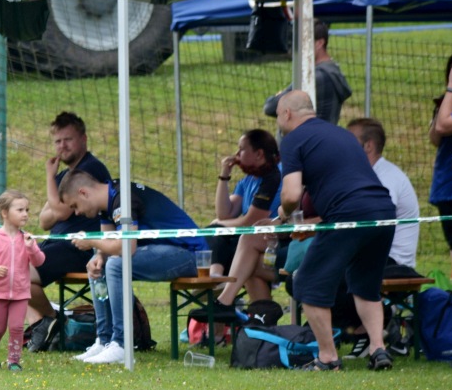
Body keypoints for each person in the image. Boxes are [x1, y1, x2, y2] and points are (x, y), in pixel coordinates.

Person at [274, 90, 397, 371]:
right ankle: (378, 349)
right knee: (365, 284)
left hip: (347, 214)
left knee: (306, 282)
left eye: (278, 115)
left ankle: (328, 358)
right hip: (383, 211)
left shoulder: (293, 139)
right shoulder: (342, 134)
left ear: (287, 114)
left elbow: (292, 194)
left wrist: (282, 213)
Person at [59, 171, 201, 365]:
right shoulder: (107, 201)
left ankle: (122, 343)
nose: (76, 213)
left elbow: (126, 247)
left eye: (75, 206)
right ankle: (104, 340)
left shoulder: (122, 198)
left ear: (83, 193)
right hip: (166, 251)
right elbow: (108, 241)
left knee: (116, 264)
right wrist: (98, 255)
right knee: (99, 264)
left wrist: (92, 241)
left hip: (189, 254)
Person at [27, 112, 113, 327]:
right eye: (57, 141)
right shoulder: (64, 175)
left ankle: (55, 324)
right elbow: (44, 221)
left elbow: (60, 212)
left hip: (80, 248)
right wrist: (56, 202)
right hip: (57, 244)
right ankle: (44, 327)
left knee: (19, 276)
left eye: (68, 139)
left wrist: (49, 176)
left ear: (83, 139)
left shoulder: (89, 169)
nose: (62, 146)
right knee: (8, 264)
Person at [204, 129, 284, 318]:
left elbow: (251, 221)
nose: (237, 154)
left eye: (241, 149)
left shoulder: (274, 177)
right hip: (250, 244)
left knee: (217, 232)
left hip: (273, 242)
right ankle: (217, 282)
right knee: (216, 232)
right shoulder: (248, 180)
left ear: (259, 154)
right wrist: (224, 176)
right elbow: (224, 213)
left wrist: (219, 226)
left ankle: (220, 287)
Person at [0, 190, 44, 371]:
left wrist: (31, 248)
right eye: (20, 210)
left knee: (16, 327)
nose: (25, 214)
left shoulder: (27, 239)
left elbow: (39, 261)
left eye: (27, 210)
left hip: (21, 292)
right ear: (4, 213)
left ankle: (14, 361)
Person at [347, 117, 420, 272]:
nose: (344, 145)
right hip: (374, 256)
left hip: (393, 262)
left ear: (368, 146)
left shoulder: (387, 177)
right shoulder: (368, 174)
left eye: (350, 140)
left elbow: (375, 221)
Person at [264, 18, 352, 126]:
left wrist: (278, 96)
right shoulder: (331, 71)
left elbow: (270, 107)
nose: (297, 49)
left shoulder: (315, 77)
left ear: (319, 43)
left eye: (303, 42)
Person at [428, 51, 452, 259]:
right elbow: (435, 137)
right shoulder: (448, 105)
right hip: (447, 188)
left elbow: (443, 126)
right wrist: (448, 98)